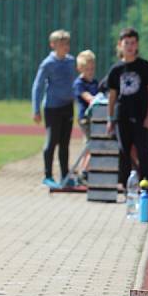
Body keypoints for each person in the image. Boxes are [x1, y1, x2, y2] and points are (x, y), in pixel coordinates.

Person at [106, 27, 148, 188]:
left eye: (133, 43)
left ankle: (147, 182)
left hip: (141, 115)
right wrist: (110, 119)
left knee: (143, 150)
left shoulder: (145, 66)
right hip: (122, 116)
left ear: (137, 45)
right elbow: (113, 96)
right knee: (124, 150)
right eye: (126, 43)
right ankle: (123, 183)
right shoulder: (115, 70)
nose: (129, 46)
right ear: (120, 45)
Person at [31, 29, 77, 188]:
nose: (65, 46)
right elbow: (37, 86)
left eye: (67, 43)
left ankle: (65, 176)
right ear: (53, 45)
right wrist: (35, 109)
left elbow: (77, 82)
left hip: (68, 106)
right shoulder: (48, 63)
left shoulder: (72, 61)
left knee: (65, 143)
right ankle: (48, 176)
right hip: (52, 107)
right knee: (52, 141)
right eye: (62, 44)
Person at [72, 49, 99, 182]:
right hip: (85, 118)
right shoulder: (79, 84)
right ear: (80, 69)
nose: (90, 71)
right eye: (87, 69)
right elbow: (88, 97)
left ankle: (85, 169)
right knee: (92, 144)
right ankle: (84, 171)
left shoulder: (95, 82)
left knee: (89, 144)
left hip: (95, 117)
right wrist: (96, 99)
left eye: (92, 68)